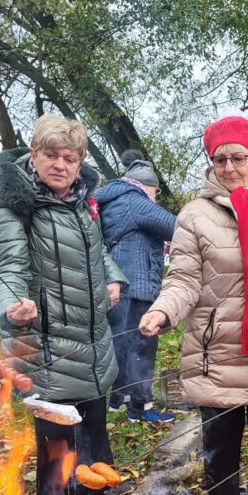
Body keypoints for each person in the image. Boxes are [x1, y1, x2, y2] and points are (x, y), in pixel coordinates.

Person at [138, 114, 248, 495]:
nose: (229, 168)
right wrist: (163, 310)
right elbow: (183, 278)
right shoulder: (193, 215)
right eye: (219, 160)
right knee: (220, 446)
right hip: (216, 353)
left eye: (238, 158)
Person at [0, 115, 126, 495]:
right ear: (33, 154)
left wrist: (112, 278)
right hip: (45, 346)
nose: (60, 165)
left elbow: (95, 253)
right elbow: (6, 270)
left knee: (96, 434)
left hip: (93, 342)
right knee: (57, 446)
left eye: (69, 158)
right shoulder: (11, 206)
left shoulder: (81, 203)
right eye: (50, 155)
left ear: (80, 162)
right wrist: (11, 309)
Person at [95, 150, 177, 423]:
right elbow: (175, 226)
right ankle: (141, 409)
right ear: (147, 186)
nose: (155, 197)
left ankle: (119, 401)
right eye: (155, 192)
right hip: (137, 285)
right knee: (141, 348)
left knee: (123, 344)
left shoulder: (114, 200)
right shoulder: (135, 201)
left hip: (118, 283)